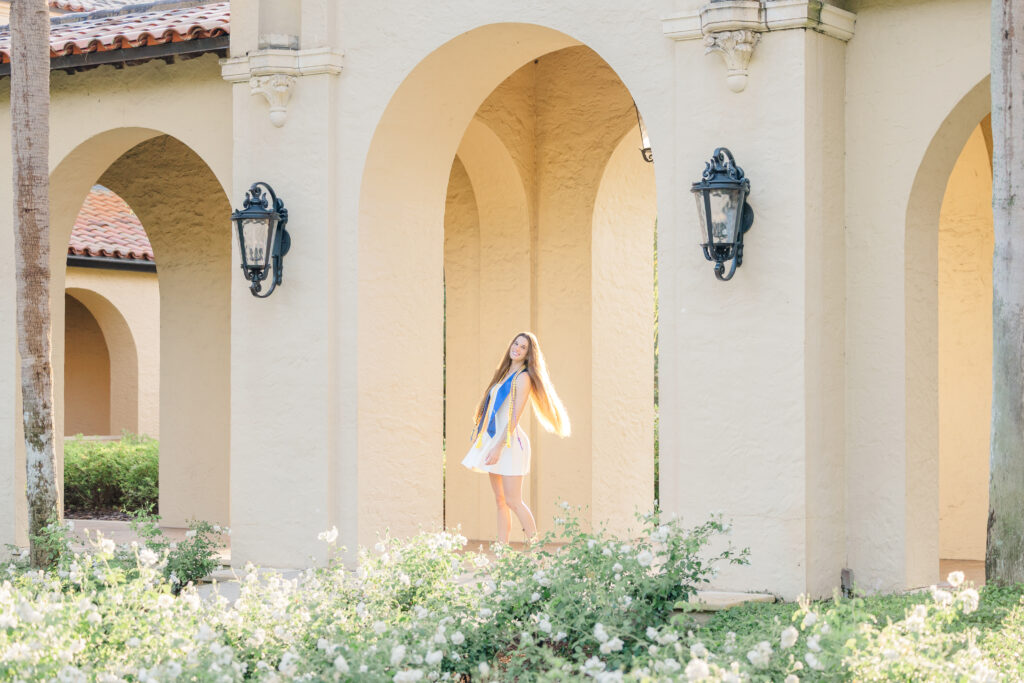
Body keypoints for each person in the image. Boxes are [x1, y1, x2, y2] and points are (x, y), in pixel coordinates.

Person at [461, 331, 571, 544]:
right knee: (500, 501)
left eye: (523, 348)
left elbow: (513, 417)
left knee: (514, 500)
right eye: (516, 344)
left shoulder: (523, 378)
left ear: (528, 355)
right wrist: (483, 440)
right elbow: (492, 409)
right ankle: (502, 554)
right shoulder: (502, 375)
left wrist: (498, 447)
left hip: (510, 443)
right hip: (494, 441)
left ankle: (536, 553)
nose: (517, 349)